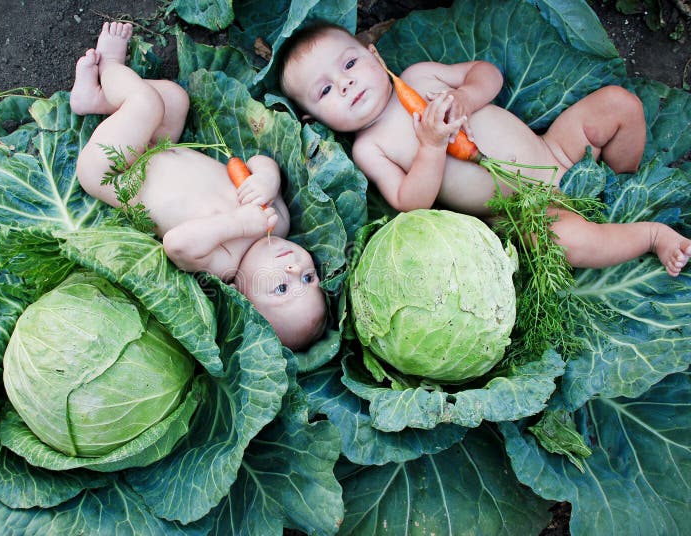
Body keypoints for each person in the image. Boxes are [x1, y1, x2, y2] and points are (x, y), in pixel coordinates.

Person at [277, 23, 691, 277]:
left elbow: (488, 73)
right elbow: (409, 202)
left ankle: (625, 189)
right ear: (317, 120)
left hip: (557, 153)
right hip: (520, 212)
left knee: (621, 104)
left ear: (373, 53)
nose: (345, 83)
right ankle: (649, 235)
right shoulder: (372, 147)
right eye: (326, 90)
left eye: (349, 64)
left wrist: (466, 96)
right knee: (569, 246)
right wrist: (431, 147)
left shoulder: (421, 76)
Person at [70, 21, 326, 350]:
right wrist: (266, 179)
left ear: (242, 293)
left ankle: (109, 67)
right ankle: (97, 100)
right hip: (161, 144)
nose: (294, 268)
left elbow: (177, 243)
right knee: (175, 100)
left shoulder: (222, 264)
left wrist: (237, 223)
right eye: (308, 278)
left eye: (281, 288)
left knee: (147, 104)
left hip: (113, 171)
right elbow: (261, 162)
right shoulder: (279, 222)